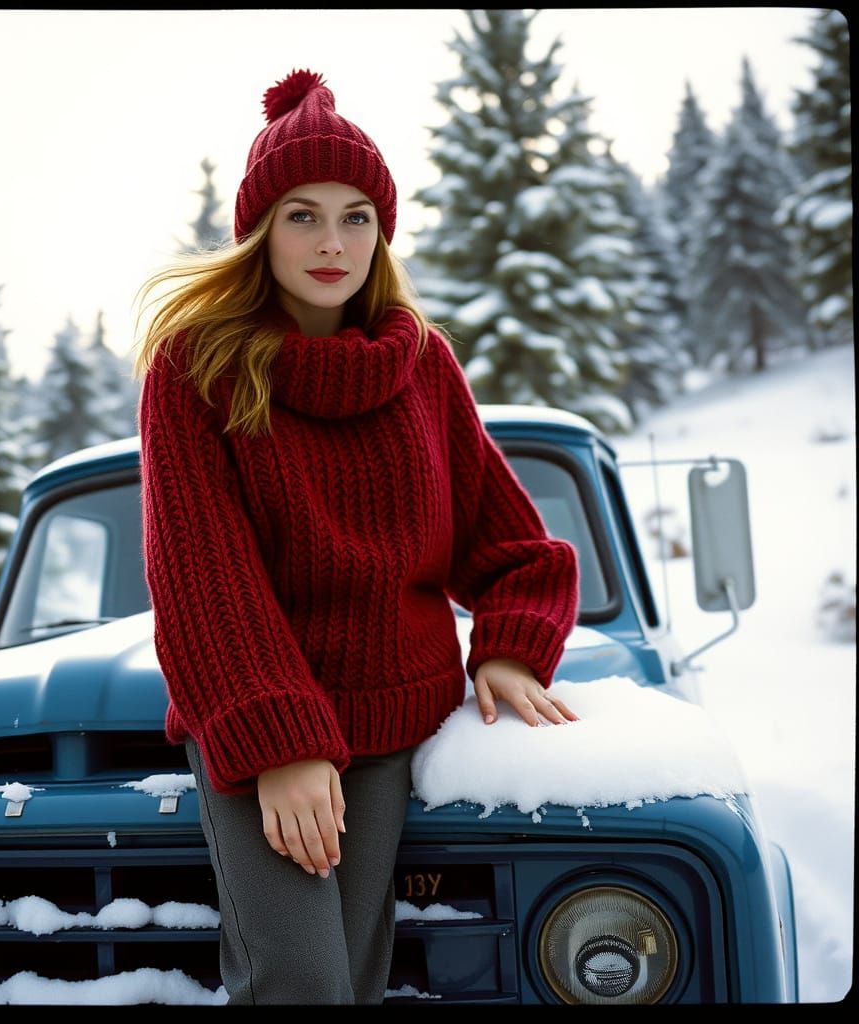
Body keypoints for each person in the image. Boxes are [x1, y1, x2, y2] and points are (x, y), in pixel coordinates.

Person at [133, 68, 580, 1006]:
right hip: (259, 712)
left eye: (356, 217)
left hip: (396, 717)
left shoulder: (422, 362)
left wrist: (509, 648)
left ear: (382, 231)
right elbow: (203, 578)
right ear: (260, 229)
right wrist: (281, 744)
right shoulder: (196, 367)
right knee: (302, 980)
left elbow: (513, 549)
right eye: (302, 215)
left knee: (356, 982)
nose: (333, 242)